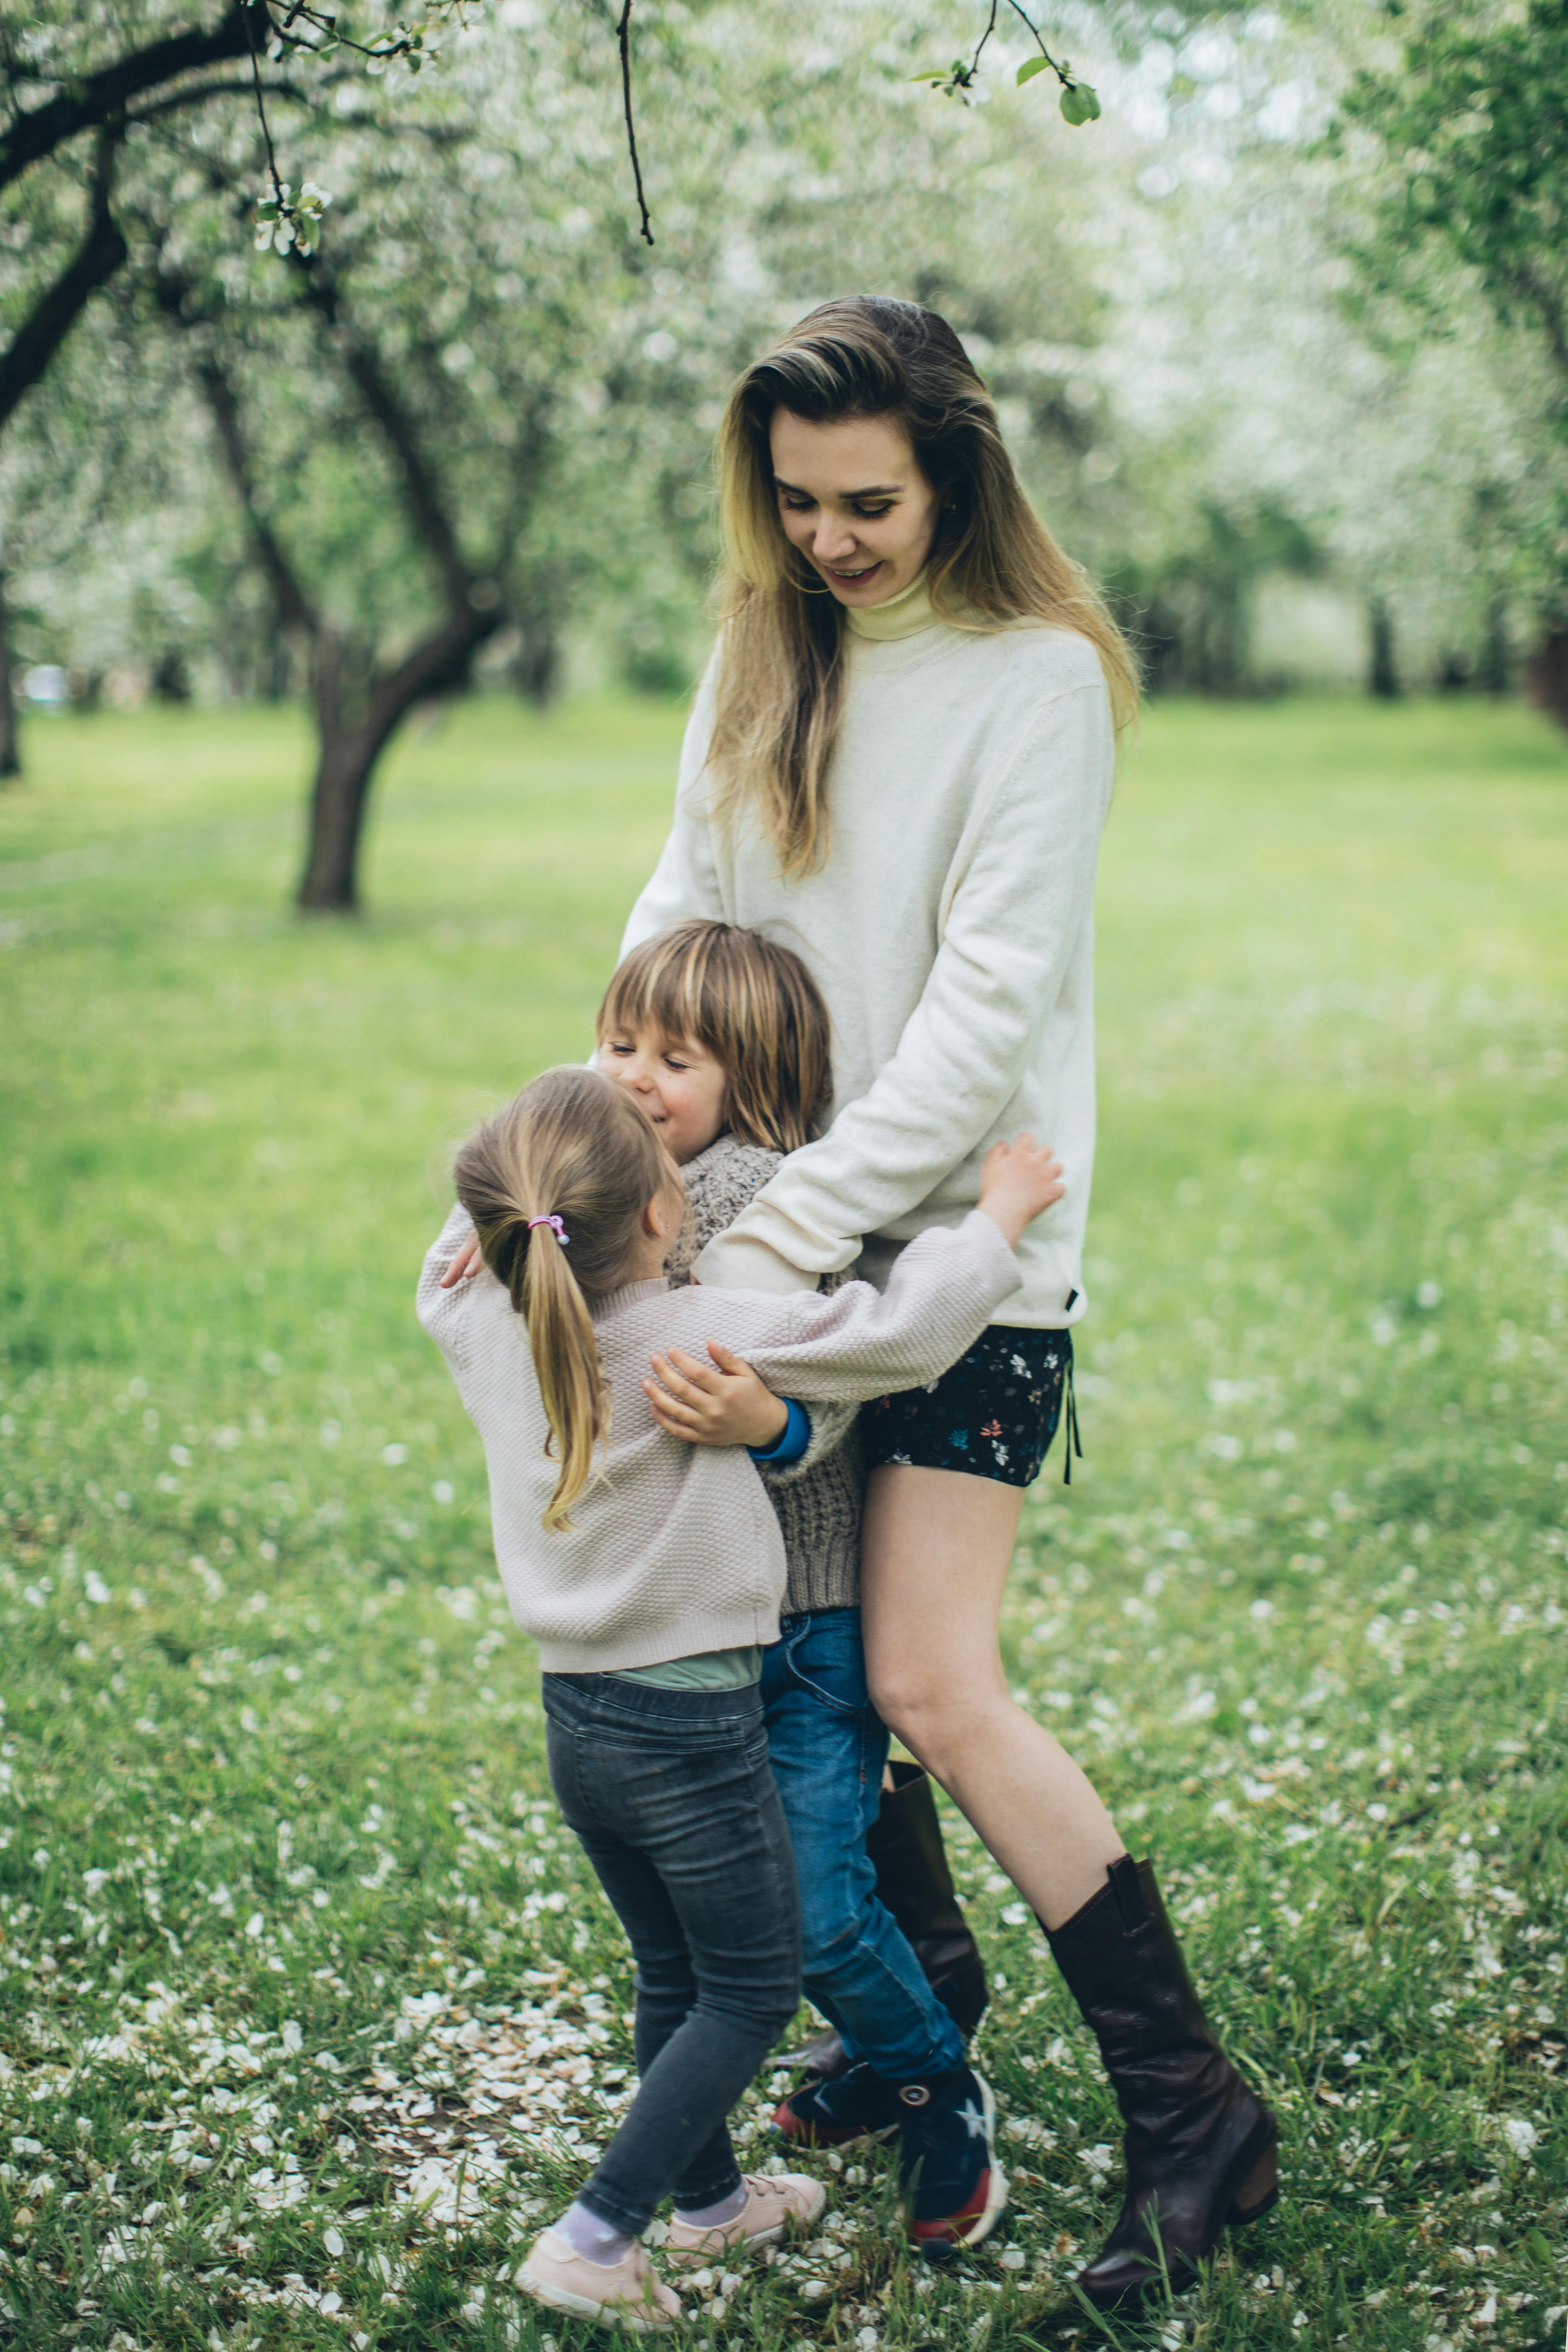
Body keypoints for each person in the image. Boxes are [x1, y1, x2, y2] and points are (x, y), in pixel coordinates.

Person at [615, 294, 1279, 2311]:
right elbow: (672, 925)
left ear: (959, 477)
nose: (829, 539)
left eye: (870, 503)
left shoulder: (1039, 681)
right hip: (771, 1241)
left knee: (925, 1679)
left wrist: (776, 1245)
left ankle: (1196, 2115)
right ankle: (930, 2010)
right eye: (797, 500)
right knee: (787, 1660)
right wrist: (578, 1164)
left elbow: (983, 1025)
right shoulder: (767, 649)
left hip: (966, 1264)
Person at [417, 1063, 1062, 2326]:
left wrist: (558, 1116)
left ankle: (712, 2207)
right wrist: (996, 1220)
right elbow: (898, 1333)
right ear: (666, 1217)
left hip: (579, 1724)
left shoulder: (478, 1315)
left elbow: (476, 1214)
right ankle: (596, 2239)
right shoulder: (697, 1329)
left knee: (671, 1971)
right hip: (690, 1728)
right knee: (750, 1990)